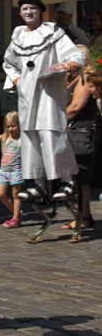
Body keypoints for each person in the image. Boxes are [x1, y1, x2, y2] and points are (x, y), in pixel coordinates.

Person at [3, 0, 84, 203]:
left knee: (52, 133)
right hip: (27, 96)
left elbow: (74, 52)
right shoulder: (17, 36)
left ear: (40, 11)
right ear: (20, 13)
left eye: (32, 8)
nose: (28, 12)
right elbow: (8, 63)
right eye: (24, 9)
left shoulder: (54, 33)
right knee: (30, 136)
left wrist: (74, 61)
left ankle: (66, 180)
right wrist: (18, 80)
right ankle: (37, 184)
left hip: (49, 92)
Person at [62, 45, 100, 230]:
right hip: (72, 131)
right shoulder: (73, 79)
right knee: (75, 176)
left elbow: (76, 107)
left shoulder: (85, 79)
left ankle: (84, 217)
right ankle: (82, 215)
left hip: (81, 132)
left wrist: (54, 119)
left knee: (81, 175)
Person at [0, 111, 24, 228]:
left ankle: (16, 219)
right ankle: (16, 214)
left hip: (16, 171)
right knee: (0, 194)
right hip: (3, 171)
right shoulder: (6, 138)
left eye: (13, 126)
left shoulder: (22, 140)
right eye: (8, 126)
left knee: (16, 194)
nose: (11, 129)